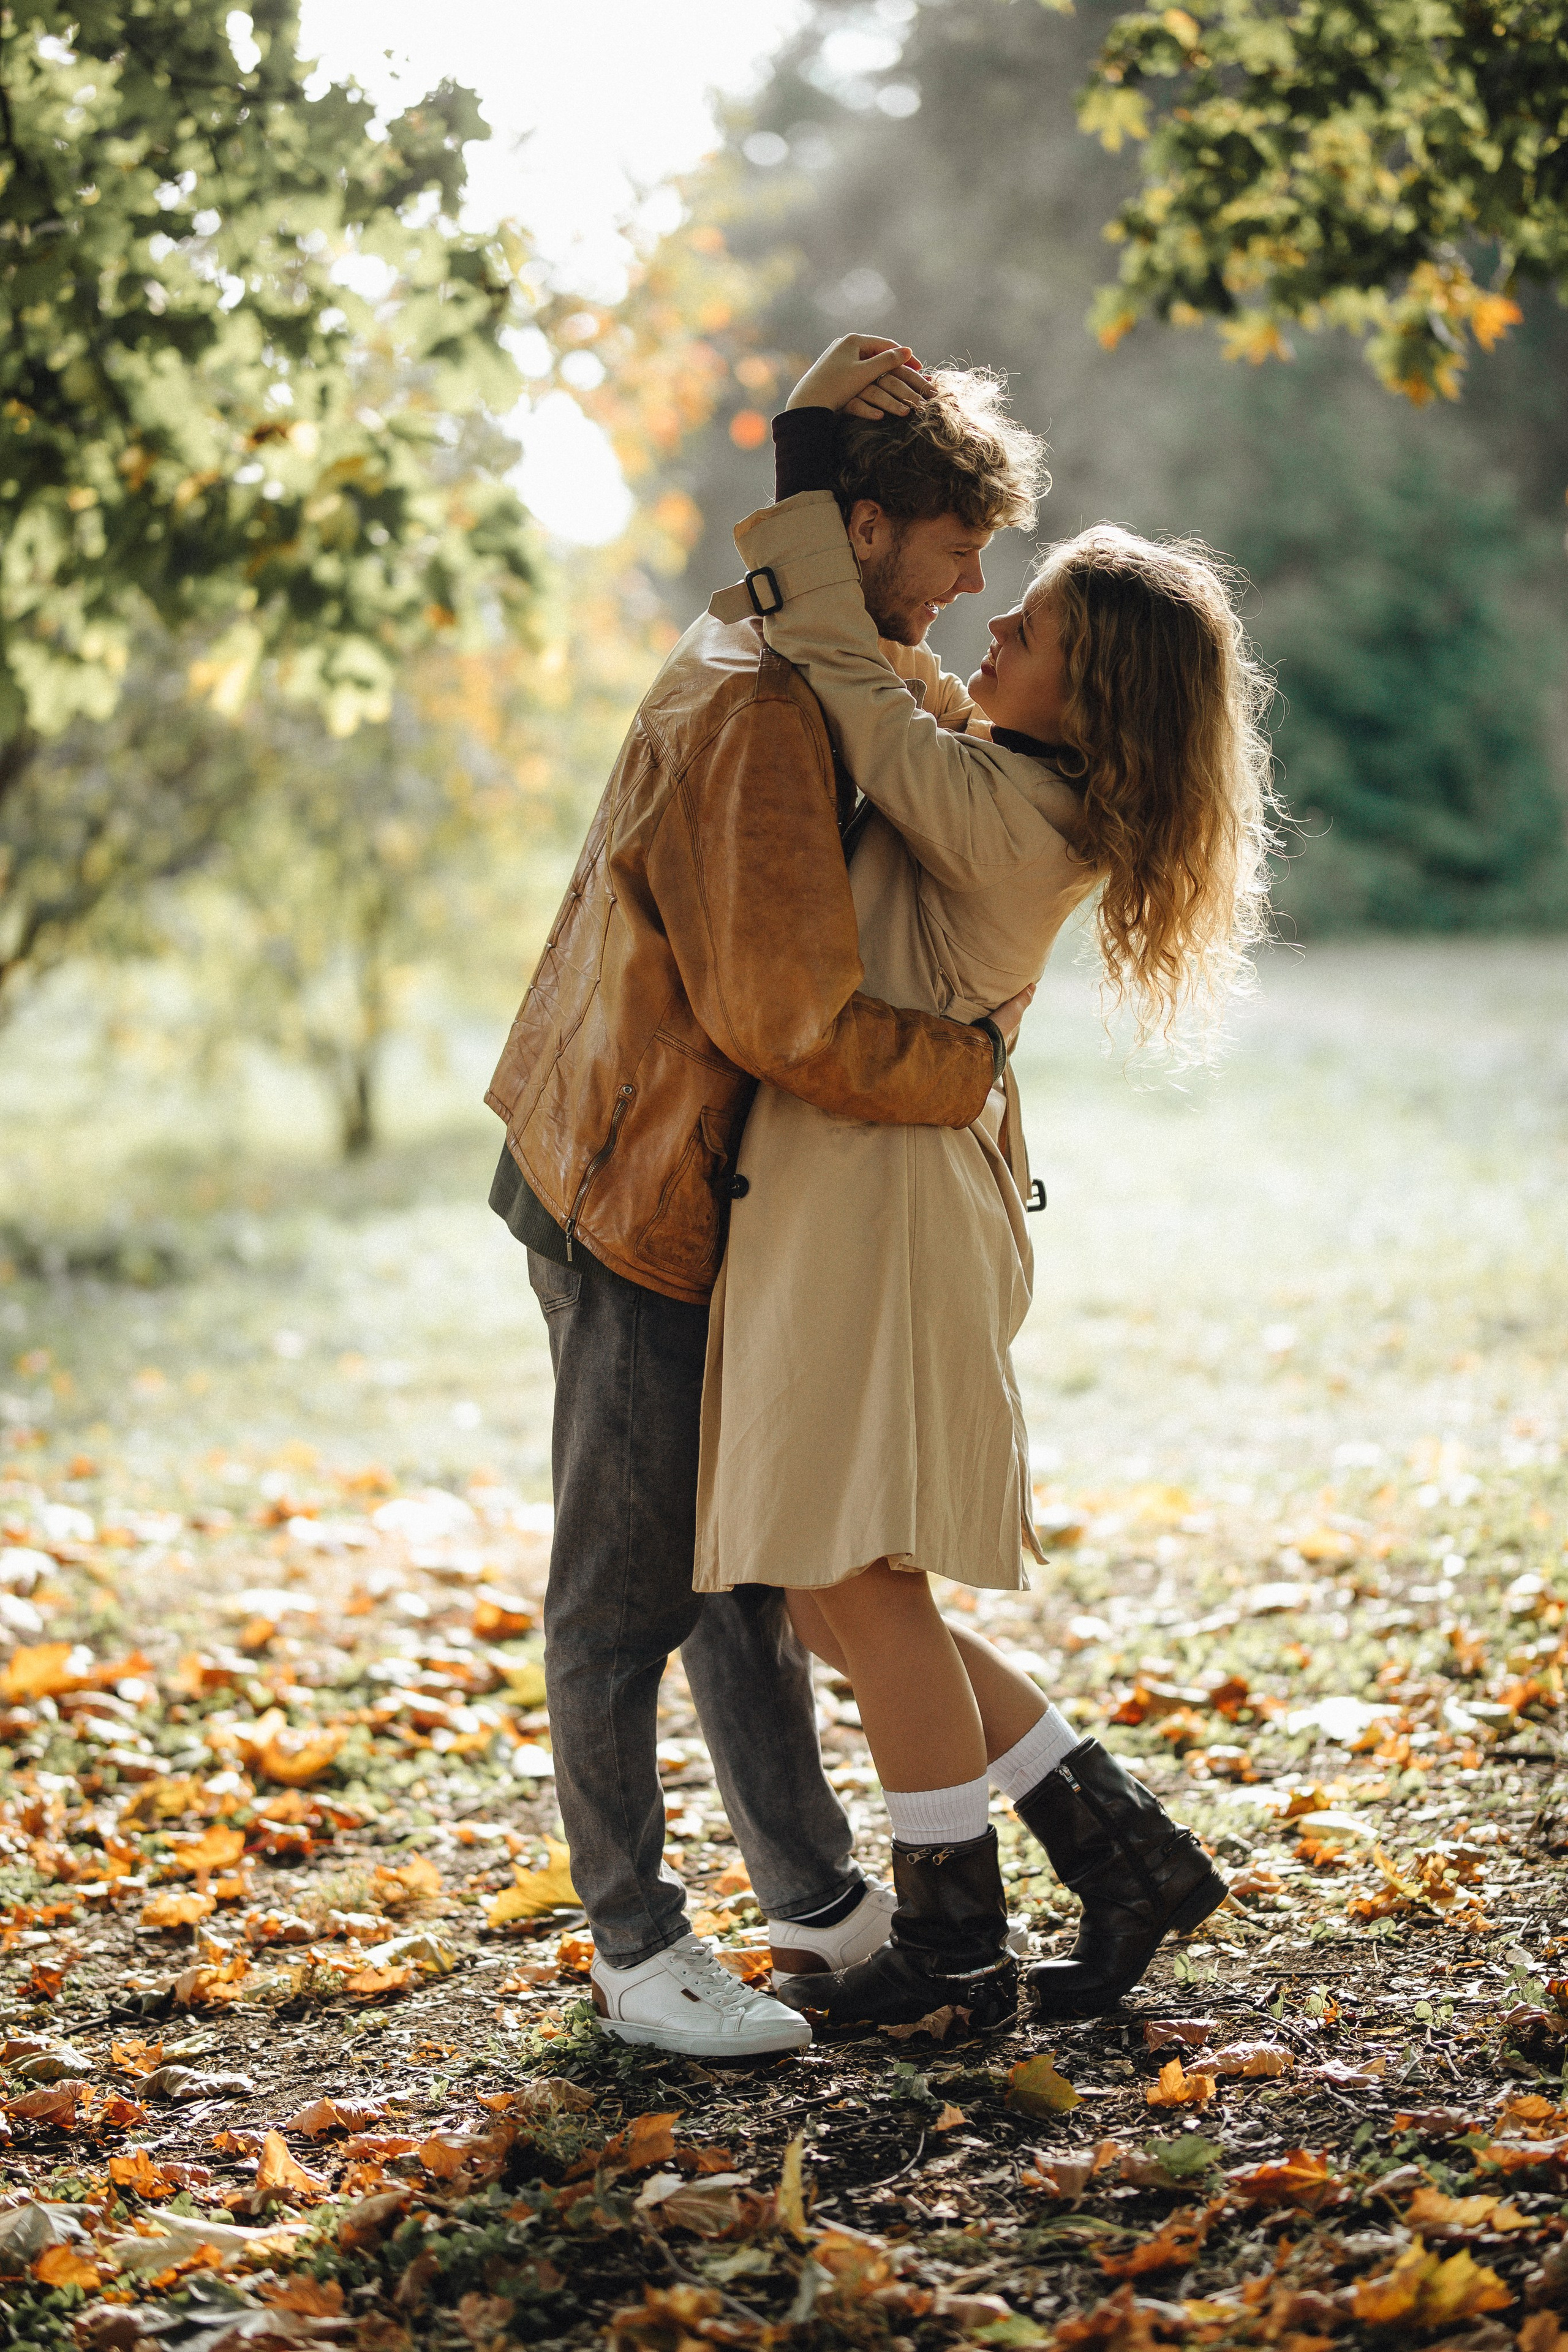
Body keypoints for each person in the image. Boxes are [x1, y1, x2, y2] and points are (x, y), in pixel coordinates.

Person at [698, 334, 1278, 2034]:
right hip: (859, 1198)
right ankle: (1120, 1849)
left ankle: (954, 1957)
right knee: (831, 1590)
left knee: (860, 1589)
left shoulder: (1007, 810)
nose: (988, 627)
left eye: (1027, 631)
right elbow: (896, 678)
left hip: (887, 1218)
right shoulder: (1002, 771)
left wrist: (813, 440)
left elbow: (848, 655)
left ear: (1091, 697)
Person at [484, 352, 1046, 2059]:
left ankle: (810, 1900)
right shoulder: (754, 703)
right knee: (630, 1585)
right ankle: (635, 1947)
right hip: (633, 1190)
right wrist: (975, 1068)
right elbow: (785, 1016)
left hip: (702, 1185)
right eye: (953, 546)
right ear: (861, 528)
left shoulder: (821, 653)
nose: (973, 586)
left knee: (751, 1567)